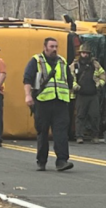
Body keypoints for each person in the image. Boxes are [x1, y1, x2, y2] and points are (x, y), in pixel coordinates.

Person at [23, 37, 74, 171]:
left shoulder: (62, 61)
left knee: (61, 133)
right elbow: (27, 79)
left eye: (56, 47)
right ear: (45, 47)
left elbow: (69, 81)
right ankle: (41, 161)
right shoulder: (36, 61)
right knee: (42, 132)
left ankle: (62, 161)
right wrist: (28, 95)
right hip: (43, 102)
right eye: (51, 47)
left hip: (60, 102)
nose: (54, 49)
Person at [70, 43, 106, 144]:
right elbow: (70, 77)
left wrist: (99, 84)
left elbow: (103, 75)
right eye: (83, 53)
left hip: (93, 95)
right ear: (80, 53)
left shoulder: (95, 64)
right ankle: (79, 136)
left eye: (86, 53)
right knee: (80, 116)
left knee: (94, 116)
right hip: (81, 95)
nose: (85, 55)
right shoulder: (75, 65)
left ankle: (95, 136)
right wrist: (75, 86)